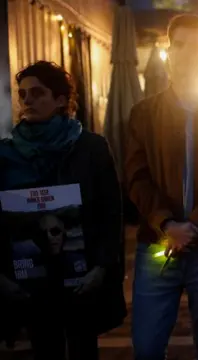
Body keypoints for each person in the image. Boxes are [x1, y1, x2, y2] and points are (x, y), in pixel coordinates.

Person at [124, 15, 198, 360]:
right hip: (158, 245)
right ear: (168, 51)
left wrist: (194, 225)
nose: (188, 54)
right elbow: (136, 176)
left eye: (197, 47)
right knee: (146, 348)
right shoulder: (144, 113)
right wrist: (167, 224)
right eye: (180, 45)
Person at [0, 61, 125, 360]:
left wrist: (102, 267)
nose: (28, 101)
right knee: (44, 347)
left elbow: (111, 212)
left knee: (83, 348)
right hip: (30, 280)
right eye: (23, 94)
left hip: (82, 275)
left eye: (37, 93)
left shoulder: (91, 147)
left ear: (60, 100)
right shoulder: (6, 154)